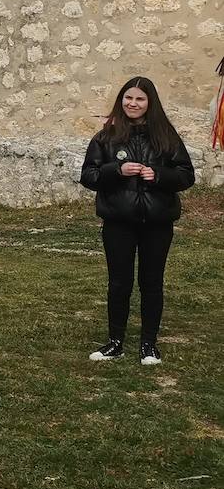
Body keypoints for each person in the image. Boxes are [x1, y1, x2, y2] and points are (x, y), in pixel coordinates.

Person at [78, 76, 195, 365]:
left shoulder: (166, 136)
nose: (133, 103)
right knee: (119, 283)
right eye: (128, 98)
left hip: (157, 222)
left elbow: (186, 175)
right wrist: (116, 170)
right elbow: (89, 176)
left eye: (140, 99)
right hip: (119, 221)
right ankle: (115, 342)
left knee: (151, 283)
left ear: (149, 103)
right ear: (121, 100)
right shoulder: (106, 137)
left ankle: (149, 344)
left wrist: (158, 175)